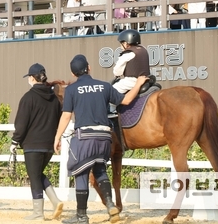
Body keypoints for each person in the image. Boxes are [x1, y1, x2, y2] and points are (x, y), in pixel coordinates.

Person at [54, 55, 148, 224]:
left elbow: (66, 116)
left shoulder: (72, 90)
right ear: (89, 68)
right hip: (105, 137)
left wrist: (57, 136)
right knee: (100, 171)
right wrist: (138, 83)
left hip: (85, 137)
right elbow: (126, 100)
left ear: (73, 73)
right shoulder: (104, 86)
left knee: (80, 173)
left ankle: (81, 217)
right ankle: (110, 204)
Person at [10, 63, 64, 221]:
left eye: (29, 77)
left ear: (32, 78)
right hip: (48, 145)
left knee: (34, 177)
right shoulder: (54, 99)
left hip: (32, 145)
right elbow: (58, 120)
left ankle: (38, 212)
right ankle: (55, 201)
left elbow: (21, 123)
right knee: (37, 174)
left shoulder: (28, 98)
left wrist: (15, 141)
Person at [108, 29, 150, 116]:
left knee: (110, 92)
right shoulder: (143, 49)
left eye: (121, 44)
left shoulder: (127, 54)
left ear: (126, 43)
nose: (120, 46)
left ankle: (112, 110)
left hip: (132, 81)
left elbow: (117, 72)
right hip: (147, 78)